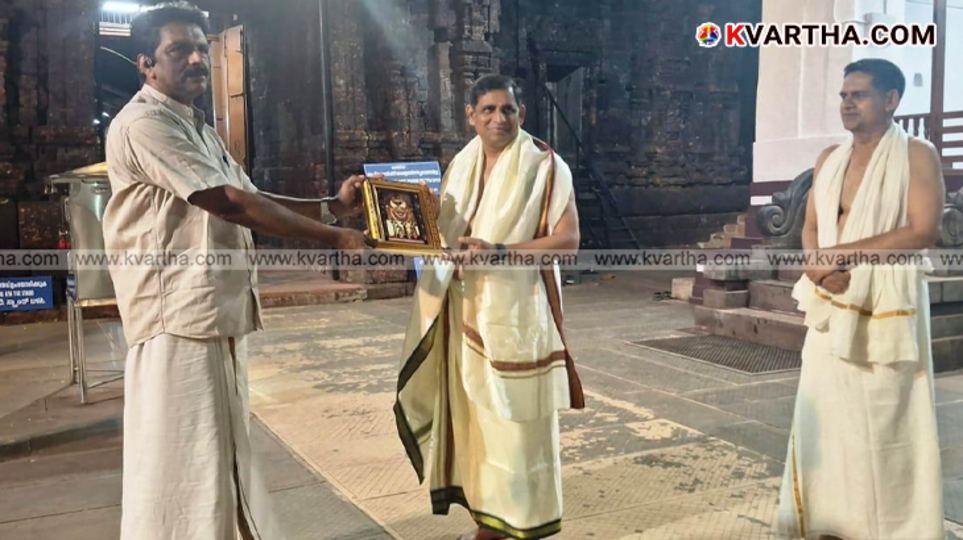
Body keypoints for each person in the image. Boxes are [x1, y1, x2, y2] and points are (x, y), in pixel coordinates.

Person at [102, 3, 370, 539]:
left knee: (220, 457)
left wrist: (330, 207)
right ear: (145, 64)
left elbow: (252, 196)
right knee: (184, 463)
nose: (197, 58)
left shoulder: (195, 125)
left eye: (202, 47)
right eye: (178, 50)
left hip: (212, 313)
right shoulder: (145, 123)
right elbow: (228, 203)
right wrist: (335, 239)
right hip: (177, 317)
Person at [393, 74, 585, 540]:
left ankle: (519, 523)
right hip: (461, 312)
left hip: (513, 314)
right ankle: (489, 522)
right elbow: (443, 233)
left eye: (509, 110)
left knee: (515, 426)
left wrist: (498, 250)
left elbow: (568, 242)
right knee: (476, 423)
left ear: (523, 113)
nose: (499, 119)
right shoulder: (461, 162)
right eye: (489, 110)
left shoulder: (545, 165)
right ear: (471, 115)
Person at [776, 58, 946, 540]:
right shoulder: (829, 158)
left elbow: (923, 230)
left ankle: (895, 530)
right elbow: (809, 226)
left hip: (886, 305)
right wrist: (815, 264)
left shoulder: (917, 154)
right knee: (826, 420)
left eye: (860, 95)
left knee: (887, 422)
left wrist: (837, 257)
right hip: (829, 304)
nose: (847, 104)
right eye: (843, 96)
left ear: (891, 100)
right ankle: (833, 524)